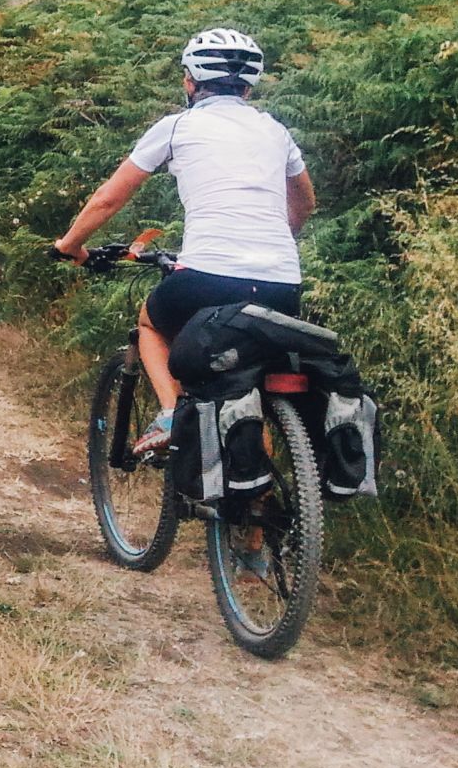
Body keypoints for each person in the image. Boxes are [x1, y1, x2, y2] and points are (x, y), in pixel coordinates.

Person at [52, 29, 315, 456]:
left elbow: (109, 198)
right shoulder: (275, 130)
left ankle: (172, 412)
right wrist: (275, 240)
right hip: (282, 284)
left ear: (190, 81)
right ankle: (259, 510)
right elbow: (305, 202)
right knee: (249, 382)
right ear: (249, 85)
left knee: (150, 323)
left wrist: (70, 245)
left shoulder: (177, 127)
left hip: (207, 278)